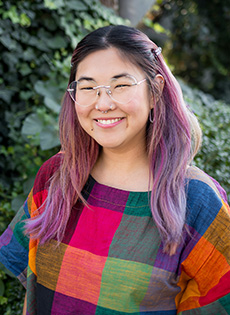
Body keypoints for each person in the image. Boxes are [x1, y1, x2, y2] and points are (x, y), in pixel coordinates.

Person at [0, 25, 229, 315]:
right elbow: (33, 295)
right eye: (87, 87)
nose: (103, 103)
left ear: (155, 90)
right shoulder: (57, 175)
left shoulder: (196, 200)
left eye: (120, 85)